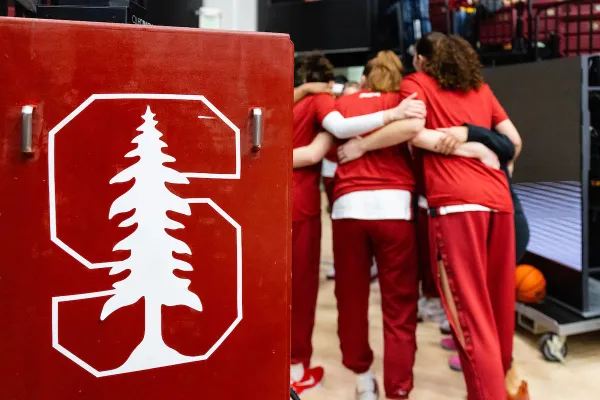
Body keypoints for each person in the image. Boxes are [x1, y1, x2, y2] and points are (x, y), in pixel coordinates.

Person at [337, 33, 528, 400]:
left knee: (470, 317)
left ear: (423, 61)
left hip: (456, 204)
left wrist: (361, 144)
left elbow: (412, 130)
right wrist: (476, 146)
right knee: (499, 311)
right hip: (498, 201)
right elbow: (514, 142)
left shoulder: (417, 83)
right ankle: (497, 388)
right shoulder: (481, 89)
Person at [290, 51, 425, 395]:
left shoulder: (342, 106)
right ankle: (398, 389)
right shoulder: (404, 100)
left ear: (363, 79)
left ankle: (364, 383)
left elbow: (330, 151)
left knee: (351, 300)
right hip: (395, 208)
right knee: (399, 306)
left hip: (349, 209)